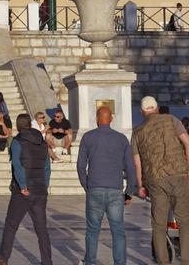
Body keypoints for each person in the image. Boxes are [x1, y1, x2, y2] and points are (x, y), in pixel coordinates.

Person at [0, 113, 52, 265]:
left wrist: (23, 186)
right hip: (40, 191)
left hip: (23, 192)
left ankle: (3, 258)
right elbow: (47, 167)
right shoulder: (42, 143)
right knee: (42, 229)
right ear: (30, 125)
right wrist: (44, 185)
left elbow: (17, 165)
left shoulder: (17, 142)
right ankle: (47, 261)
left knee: (11, 224)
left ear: (17, 126)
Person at [131, 95, 189, 265]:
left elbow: (137, 161)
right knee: (185, 220)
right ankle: (185, 260)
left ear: (142, 112)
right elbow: (187, 142)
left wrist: (140, 185)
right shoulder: (172, 120)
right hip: (178, 175)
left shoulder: (137, 131)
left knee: (159, 225)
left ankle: (163, 262)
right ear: (156, 108)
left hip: (155, 180)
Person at [76, 106, 137, 265]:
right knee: (118, 231)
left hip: (95, 188)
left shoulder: (88, 137)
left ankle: (90, 261)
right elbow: (130, 167)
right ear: (111, 119)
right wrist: (129, 192)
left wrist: (87, 186)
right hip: (115, 190)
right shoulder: (121, 139)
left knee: (92, 230)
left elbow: (81, 166)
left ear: (97, 118)